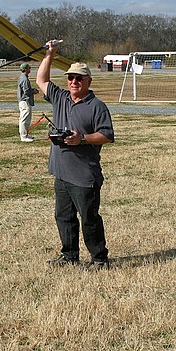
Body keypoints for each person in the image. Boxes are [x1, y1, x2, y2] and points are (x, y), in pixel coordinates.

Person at [36, 40, 115, 270]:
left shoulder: (96, 106)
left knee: (89, 220)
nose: (74, 82)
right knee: (63, 217)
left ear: (88, 81)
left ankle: (100, 259)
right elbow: (41, 80)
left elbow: (107, 135)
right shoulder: (60, 97)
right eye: (70, 77)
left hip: (84, 176)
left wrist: (81, 138)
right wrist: (49, 54)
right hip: (61, 173)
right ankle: (69, 254)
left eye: (79, 78)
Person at [17, 62, 37, 142]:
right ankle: (23, 136)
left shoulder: (22, 77)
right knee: (24, 119)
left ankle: (26, 134)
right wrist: (34, 91)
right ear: (25, 69)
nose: (30, 69)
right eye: (29, 68)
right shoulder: (24, 79)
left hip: (23, 101)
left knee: (26, 119)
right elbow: (27, 92)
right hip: (25, 101)